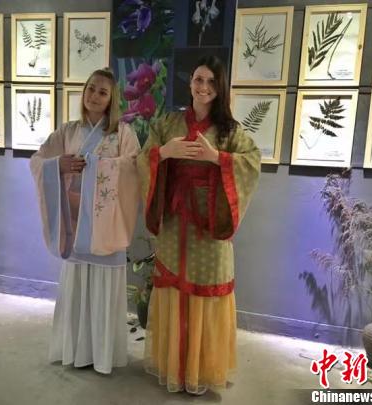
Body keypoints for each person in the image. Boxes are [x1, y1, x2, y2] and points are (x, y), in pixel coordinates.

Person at [136, 55, 261, 394]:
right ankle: (173, 367)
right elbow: (143, 158)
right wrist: (165, 152)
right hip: (175, 223)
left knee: (206, 290)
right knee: (174, 289)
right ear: (190, 82)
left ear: (219, 88)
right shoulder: (168, 123)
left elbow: (252, 162)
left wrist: (216, 158)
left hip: (210, 224)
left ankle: (200, 371)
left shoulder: (230, 130)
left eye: (210, 82)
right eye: (198, 79)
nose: (203, 87)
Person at [30, 68, 140, 374]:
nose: (94, 96)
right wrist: (58, 165)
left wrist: (96, 167)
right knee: (77, 285)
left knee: (104, 286)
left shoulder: (123, 133)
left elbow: (133, 165)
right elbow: (38, 161)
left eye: (103, 92)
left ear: (111, 99)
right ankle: (75, 351)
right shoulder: (68, 131)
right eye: (91, 88)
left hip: (106, 225)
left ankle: (102, 355)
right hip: (75, 221)